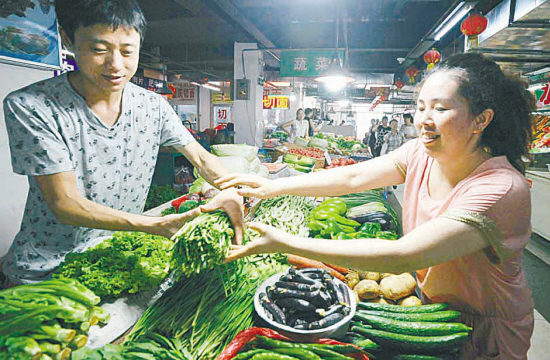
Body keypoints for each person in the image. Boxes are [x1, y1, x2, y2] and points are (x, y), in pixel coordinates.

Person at [217, 53, 535, 359]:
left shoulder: (500, 189)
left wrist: (284, 242)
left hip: (484, 331)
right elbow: (354, 177)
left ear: (481, 119)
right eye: (421, 107)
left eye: (440, 109)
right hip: (430, 312)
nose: (424, 119)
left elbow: (403, 255)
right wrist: (273, 186)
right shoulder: (420, 154)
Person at [2, 0, 243, 285]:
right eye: (99, 50)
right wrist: (156, 225)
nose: (115, 65)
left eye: (128, 51)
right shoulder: (32, 106)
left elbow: (202, 159)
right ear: (68, 39)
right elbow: (65, 203)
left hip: (119, 258)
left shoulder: (153, 106)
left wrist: (237, 191)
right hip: (45, 271)